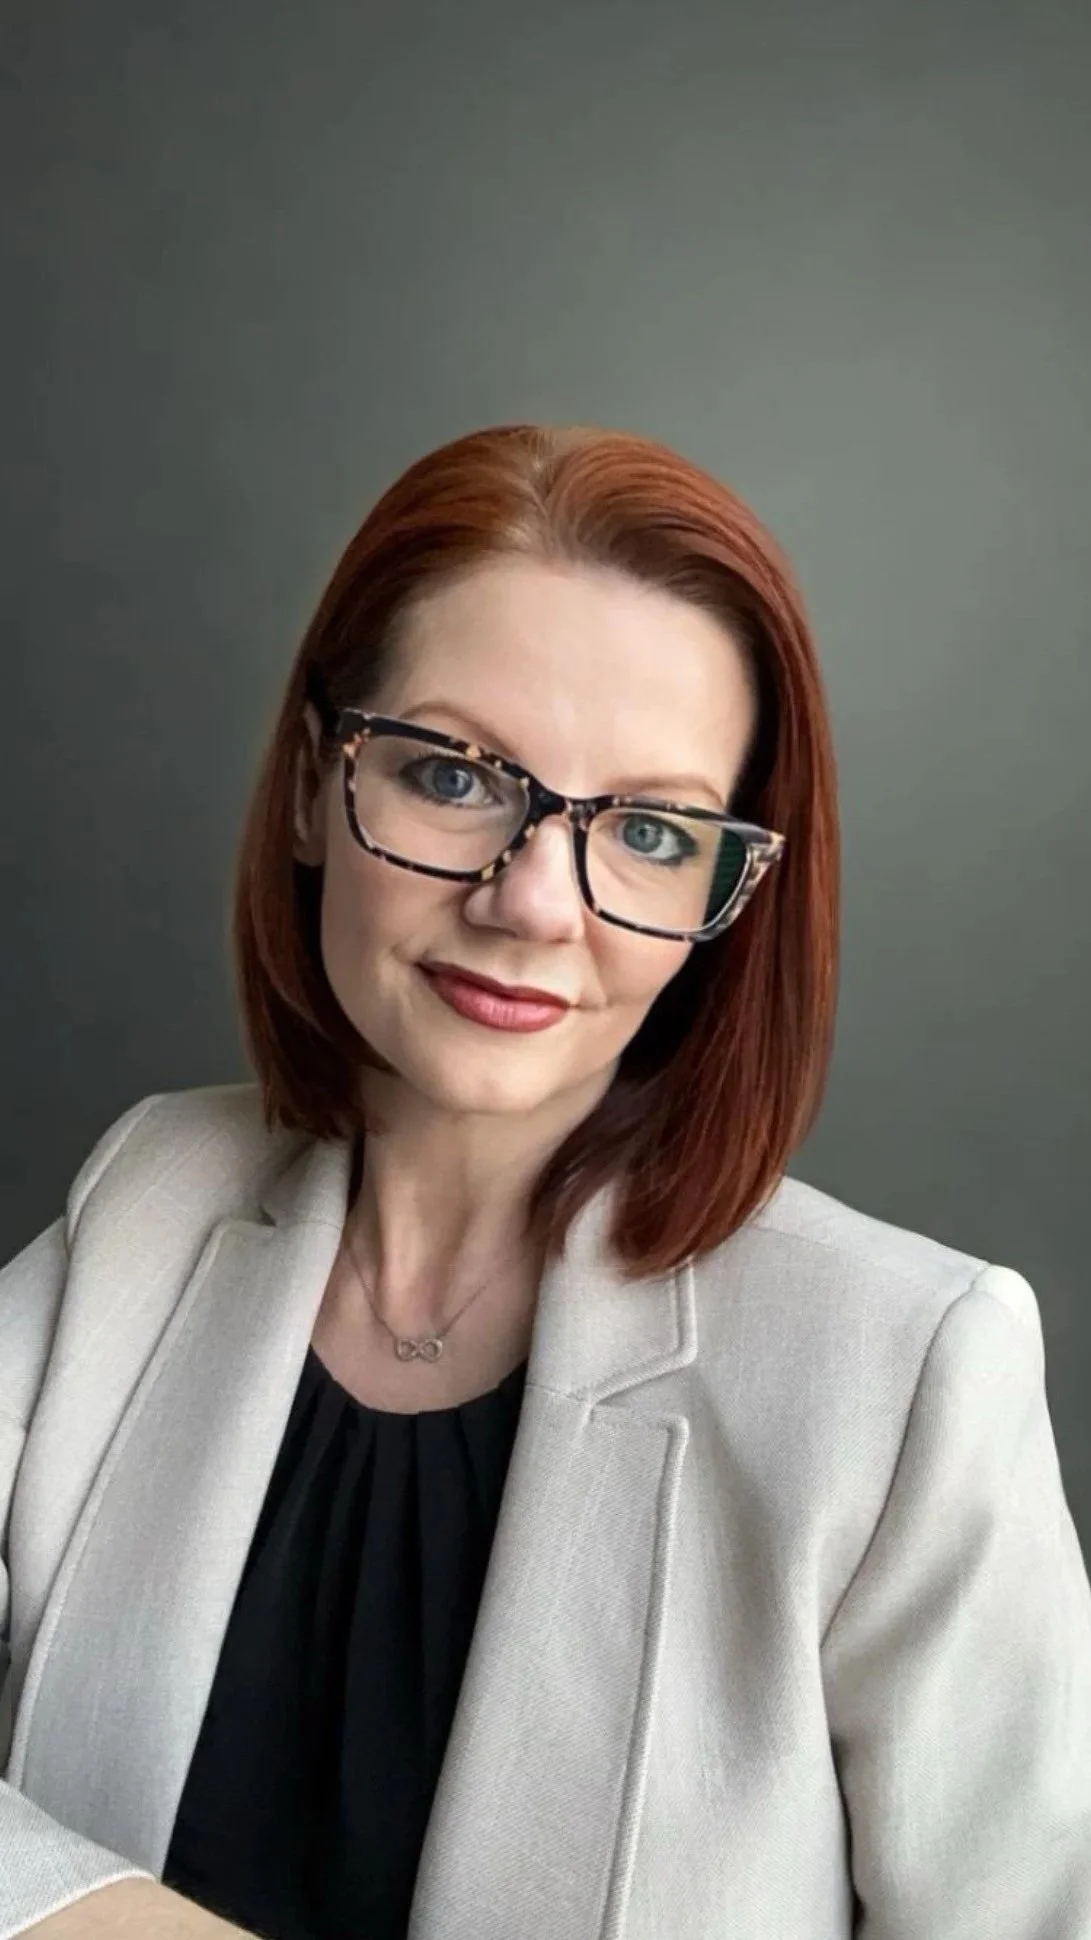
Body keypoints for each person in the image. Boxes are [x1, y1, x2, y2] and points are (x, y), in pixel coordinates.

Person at [2, 423, 1089, 1940]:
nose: (529, 903)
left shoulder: (903, 1374)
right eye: (453, 774)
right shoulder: (153, 1195)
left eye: (647, 832)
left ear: (732, 890)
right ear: (319, 792)